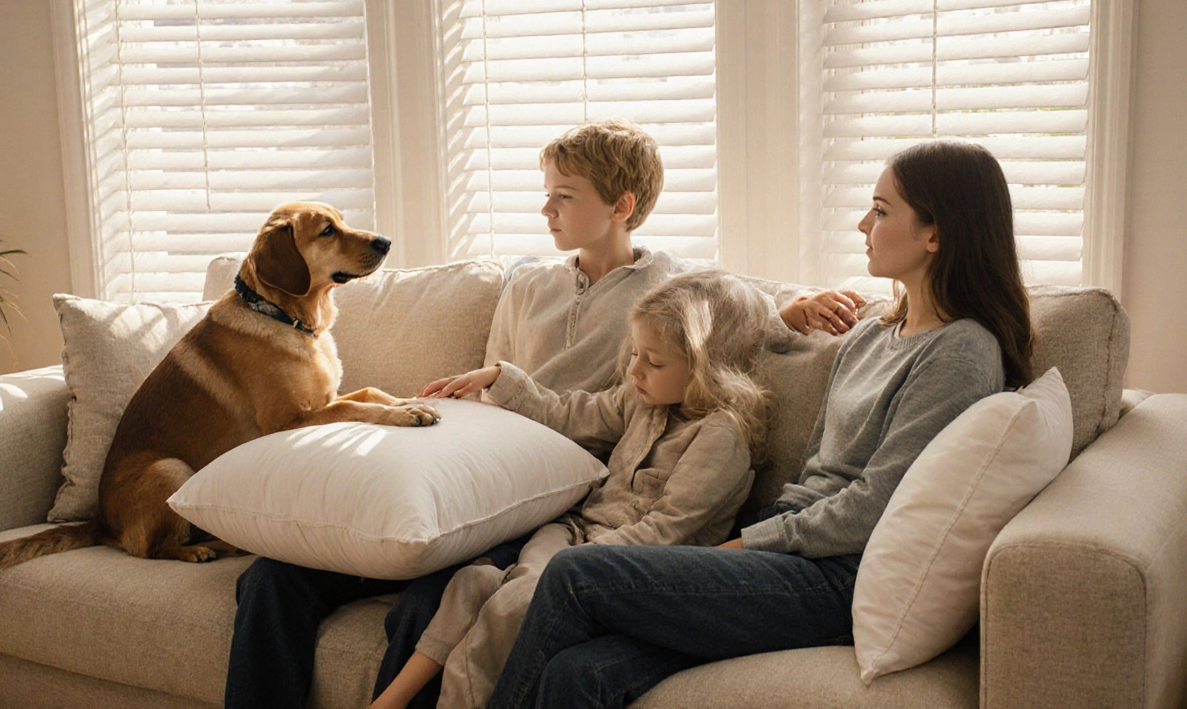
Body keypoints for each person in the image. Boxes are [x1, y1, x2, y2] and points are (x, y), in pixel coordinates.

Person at [222, 118, 862, 709]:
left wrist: (796, 306)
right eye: (546, 193)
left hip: (553, 496)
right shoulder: (527, 284)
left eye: (563, 196)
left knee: (434, 600)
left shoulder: (667, 288)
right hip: (476, 469)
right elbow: (492, 393)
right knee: (275, 582)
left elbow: (725, 316)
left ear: (622, 207)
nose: (545, 209)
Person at [484, 139, 1036, 709]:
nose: (861, 222)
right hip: (787, 539)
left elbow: (876, 505)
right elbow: (812, 456)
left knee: (577, 574)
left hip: (834, 573)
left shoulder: (961, 351)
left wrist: (749, 543)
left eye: (881, 209)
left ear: (935, 235)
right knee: (579, 674)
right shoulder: (871, 335)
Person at [371, 269, 775, 709]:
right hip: (569, 534)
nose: (635, 370)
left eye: (653, 362)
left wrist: (582, 563)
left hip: (622, 566)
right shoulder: (642, 400)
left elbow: (666, 531)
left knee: (515, 604)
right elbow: (566, 413)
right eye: (635, 353)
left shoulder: (721, 436)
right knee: (470, 583)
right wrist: (497, 378)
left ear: (706, 367)